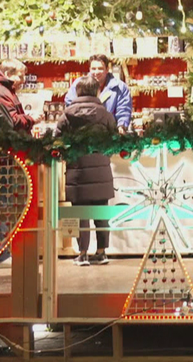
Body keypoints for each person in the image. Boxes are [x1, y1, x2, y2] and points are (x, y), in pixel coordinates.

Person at [57, 76, 118, 266]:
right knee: (101, 213)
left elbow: (58, 141)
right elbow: (115, 140)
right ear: (97, 91)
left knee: (80, 214)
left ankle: (82, 253)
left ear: (77, 91)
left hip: (77, 171)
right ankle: (101, 252)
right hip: (101, 171)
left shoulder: (67, 114)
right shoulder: (106, 115)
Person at [65, 53, 132, 132]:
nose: (96, 72)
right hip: (81, 132)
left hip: (109, 132)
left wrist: (121, 126)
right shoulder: (79, 84)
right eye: (93, 69)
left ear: (107, 69)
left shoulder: (120, 87)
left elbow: (124, 110)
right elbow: (70, 104)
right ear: (89, 69)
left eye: (100, 68)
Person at [0, 60, 36, 132]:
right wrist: (31, 119)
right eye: (20, 76)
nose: (23, 81)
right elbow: (11, 122)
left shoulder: (5, 89)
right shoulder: (0, 91)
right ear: (8, 74)